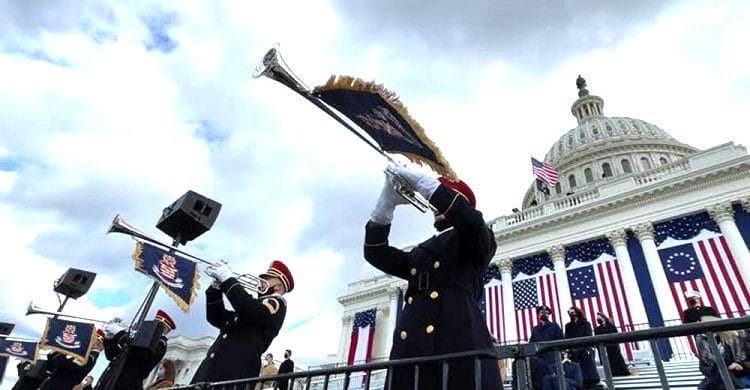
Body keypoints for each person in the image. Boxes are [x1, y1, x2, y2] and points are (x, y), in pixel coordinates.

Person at [364, 165, 499, 389]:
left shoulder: (475, 239)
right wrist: (385, 206)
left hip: (455, 345)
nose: (436, 206)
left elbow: (471, 222)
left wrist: (424, 185)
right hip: (411, 351)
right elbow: (376, 253)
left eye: (443, 200)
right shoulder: (421, 252)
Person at [190, 260, 294, 384]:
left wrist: (228, 279)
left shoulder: (276, 303)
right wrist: (215, 290)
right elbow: (216, 318)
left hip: (234, 374)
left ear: (278, 286)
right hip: (210, 372)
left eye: (267, 278)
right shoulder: (250, 310)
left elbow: (249, 309)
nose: (260, 281)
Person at [94, 310, 175, 390]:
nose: (152, 326)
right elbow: (113, 356)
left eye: (156, 323)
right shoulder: (143, 339)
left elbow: (137, 352)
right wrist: (110, 340)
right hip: (111, 380)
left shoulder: (160, 344)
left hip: (125, 385)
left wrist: (120, 333)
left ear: (164, 328)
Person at [40, 329, 104, 390]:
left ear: (99, 346)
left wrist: (61, 353)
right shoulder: (83, 352)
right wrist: (56, 353)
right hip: (54, 382)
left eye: (93, 340)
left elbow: (67, 364)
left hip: (61, 385)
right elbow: (50, 367)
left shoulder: (90, 356)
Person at [564, 307, 600, 389]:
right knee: (577, 374)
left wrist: (582, 348)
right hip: (574, 352)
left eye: (573, 312)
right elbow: (567, 338)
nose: (571, 314)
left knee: (589, 374)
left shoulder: (586, 324)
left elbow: (588, 336)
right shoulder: (568, 326)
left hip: (585, 350)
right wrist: (571, 350)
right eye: (570, 312)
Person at [594, 312, 631, 377]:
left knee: (617, 362)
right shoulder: (597, 329)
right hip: (604, 348)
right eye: (597, 318)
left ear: (603, 318)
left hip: (613, 348)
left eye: (599, 318)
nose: (598, 319)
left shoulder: (611, 326)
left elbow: (616, 336)